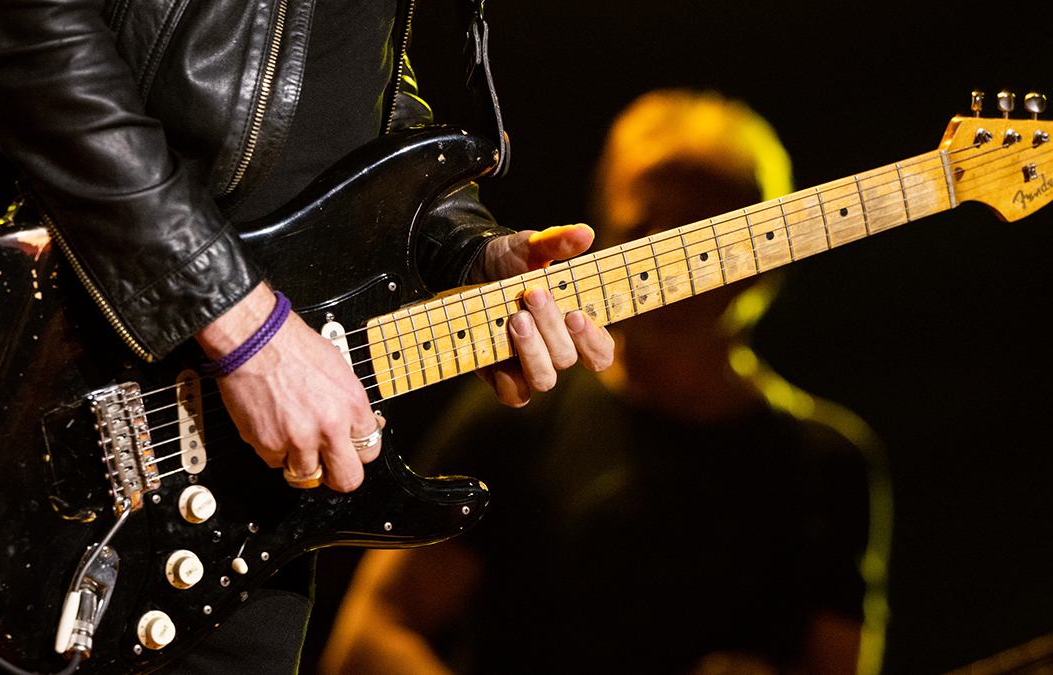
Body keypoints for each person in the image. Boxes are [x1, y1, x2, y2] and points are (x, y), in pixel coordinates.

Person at [0, 1, 612, 673]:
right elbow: (30, 31)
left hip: (237, 509)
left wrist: (455, 245)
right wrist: (241, 322)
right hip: (61, 353)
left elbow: (327, 71)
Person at [319, 89, 893, 675]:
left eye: (697, 229)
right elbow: (369, 635)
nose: (663, 257)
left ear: (766, 252)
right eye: (643, 225)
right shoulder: (522, 404)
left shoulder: (830, 462)